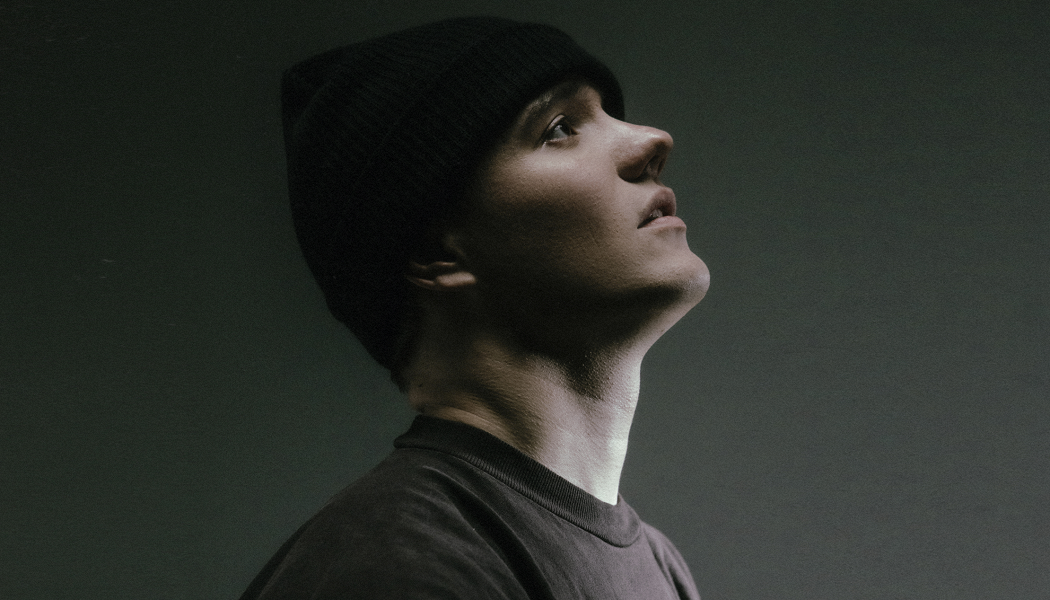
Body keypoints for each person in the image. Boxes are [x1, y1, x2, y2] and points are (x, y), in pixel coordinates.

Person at [240, 16, 709, 599]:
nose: (651, 140)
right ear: (437, 252)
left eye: (609, 115)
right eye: (559, 128)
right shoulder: (395, 568)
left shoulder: (659, 567)